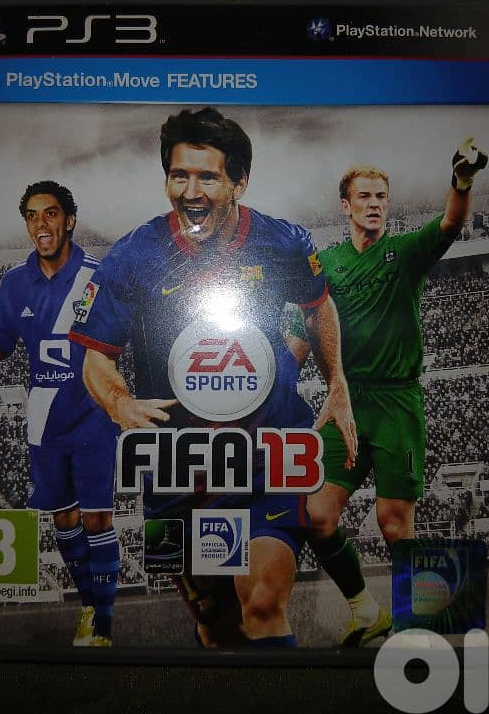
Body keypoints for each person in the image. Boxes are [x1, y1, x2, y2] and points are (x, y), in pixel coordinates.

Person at [69, 107, 357, 649]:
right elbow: (95, 359)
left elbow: (318, 306)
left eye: (207, 177)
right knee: (217, 627)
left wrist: (336, 382)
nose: (191, 191)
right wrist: (120, 403)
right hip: (179, 467)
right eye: (179, 175)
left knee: (263, 603)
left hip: (262, 454)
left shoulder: (283, 243)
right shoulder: (133, 256)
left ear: (239, 183)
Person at [305, 138, 488, 646]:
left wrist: (462, 180)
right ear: (345, 205)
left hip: (396, 404)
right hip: (347, 402)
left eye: (381, 197)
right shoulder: (327, 264)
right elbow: (305, 326)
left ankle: (429, 634)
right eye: (364, 196)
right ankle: (367, 613)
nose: (374, 204)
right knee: (317, 516)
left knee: (392, 524)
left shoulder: (403, 253)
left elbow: (450, 223)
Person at [0, 181, 120, 648]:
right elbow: (0, 344)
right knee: (64, 522)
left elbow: (117, 344)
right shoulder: (14, 282)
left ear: (69, 220)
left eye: (50, 213)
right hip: (44, 420)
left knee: (97, 521)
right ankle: (89, 607)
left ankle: (103, 628)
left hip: (92, 416)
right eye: (31, 215)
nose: (40, 224)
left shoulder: (97, 277)